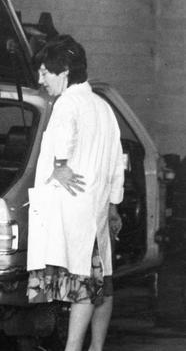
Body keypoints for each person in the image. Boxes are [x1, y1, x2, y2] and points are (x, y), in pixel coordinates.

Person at [26, 35, 125, 351]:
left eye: (44, 73)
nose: (40, 80)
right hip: (95, 211)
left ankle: (71, 349)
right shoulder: (102, 106)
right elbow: (116, 162)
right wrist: (114, 205)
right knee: (102, 285)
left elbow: (63, 139)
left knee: (82, 286)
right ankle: (95, 348)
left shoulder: (67, 102)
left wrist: (59, 164)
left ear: (64, 70)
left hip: (73, 214)